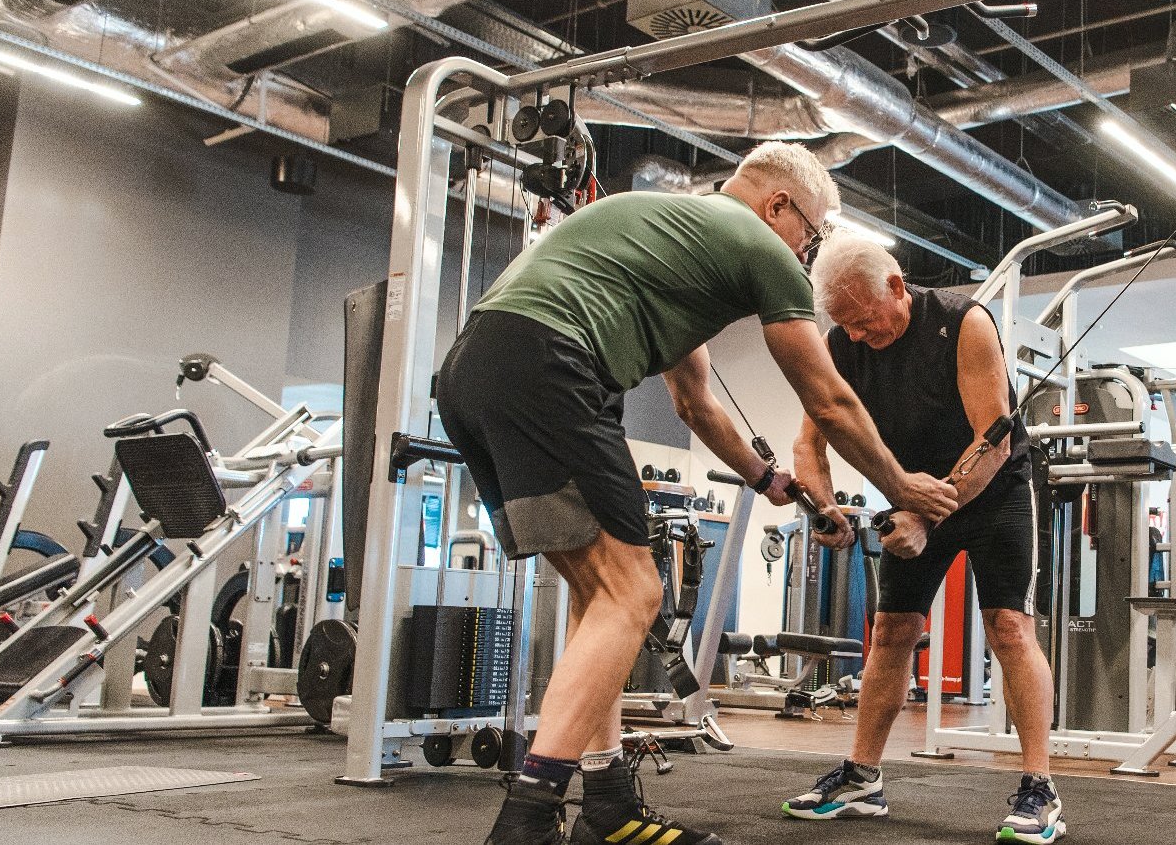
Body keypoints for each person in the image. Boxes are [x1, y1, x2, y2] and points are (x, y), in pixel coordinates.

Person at [434, 142, 957, 845]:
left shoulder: (672, 244)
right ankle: (525, 820)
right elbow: (829, 400)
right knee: (634, 595)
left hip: (472, 373)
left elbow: (697, 405)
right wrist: (900, 484)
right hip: (550, 364)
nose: (807, 251)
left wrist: (769, 480)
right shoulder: (756, 245)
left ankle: (609, 804)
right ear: (778, 205)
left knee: (601, 600)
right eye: (810, 232)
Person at [779, 234, 1067, 845]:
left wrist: (927, 519)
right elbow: (811, 441)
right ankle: (862, 777)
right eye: (845, 324)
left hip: (993, 490)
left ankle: (1040, 789)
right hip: (910, 494)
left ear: (897, 286)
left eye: (864, 319)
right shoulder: (840, 344)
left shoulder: (964, 323)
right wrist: (824, 506)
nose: (857, 335)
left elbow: (993, 440)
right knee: (891, 630)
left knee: (1009, 627)